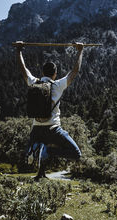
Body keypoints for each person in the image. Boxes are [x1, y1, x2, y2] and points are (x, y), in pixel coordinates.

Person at [15, 41, 84, 180]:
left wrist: (19, 50)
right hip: (53, 128)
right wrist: (80, 51)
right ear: (55, 74)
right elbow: (74, 71)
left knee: (41, 147)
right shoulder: (58, 85)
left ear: (42, 72)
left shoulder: (34, 82)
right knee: (76, 153)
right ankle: (48, 151)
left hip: (36, 129)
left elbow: (23, 69)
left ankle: (40, 173)